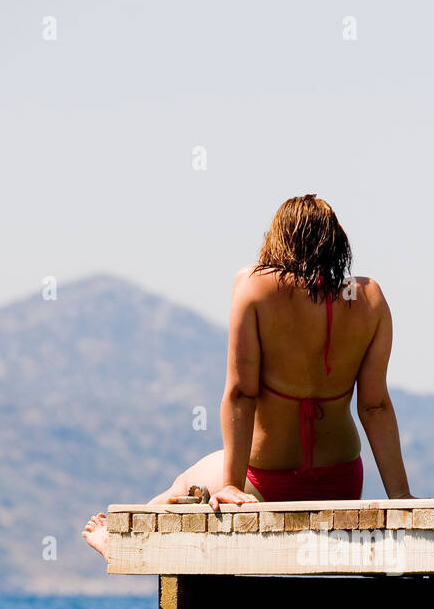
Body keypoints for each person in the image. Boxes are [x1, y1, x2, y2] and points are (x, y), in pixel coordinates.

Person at [83, 194, 413, 558]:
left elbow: (241, 393)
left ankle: (121, 545)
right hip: (342, 482)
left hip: (266, 482)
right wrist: (401, 496)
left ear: (278, 239)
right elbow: (375, 406)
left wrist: (230, 484)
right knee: (193, 486)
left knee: (185, 482)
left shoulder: (255, 285)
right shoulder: (369, 298)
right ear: (337, 243)